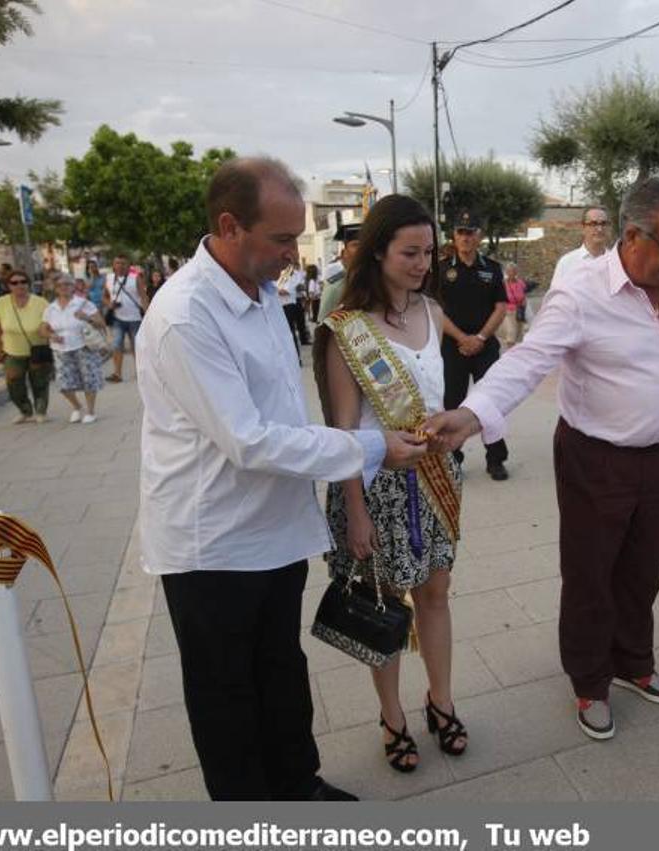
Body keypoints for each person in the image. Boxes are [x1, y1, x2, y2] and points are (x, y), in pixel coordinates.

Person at [136, 156, 427, 801]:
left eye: (297, 237)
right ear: (229, 225)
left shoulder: (262, 293)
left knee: (281, 671)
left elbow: (285, 409)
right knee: (226, 694)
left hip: (274, 531)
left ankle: (298, 784)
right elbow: (247, 438)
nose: (292, 255)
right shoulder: (187, 314)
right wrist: (368, 448)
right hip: (213, 544)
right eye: (281, 239)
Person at [427, 177, 659, 740]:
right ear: (633, 236)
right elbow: (529, 359)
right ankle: (590, 681)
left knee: (642, 569)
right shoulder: (581, 292)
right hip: (595, 458)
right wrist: (473, 413)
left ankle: (633, 663)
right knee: (590, 574)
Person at [314, 194, 467, 774]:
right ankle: (392, 716)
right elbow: (345, 432)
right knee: (384, 604)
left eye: (429, 251)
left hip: (436, 480)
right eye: (409, 252)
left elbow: (438, 398)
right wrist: (355, 513)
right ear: (377, 251)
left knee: (435, 593)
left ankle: (442, 699)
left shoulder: (430, 308)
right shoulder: (348, 329)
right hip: (374, 487)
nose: (423, 262)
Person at [439, 209, 510, 481]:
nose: (466, 238)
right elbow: (436, 310)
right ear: (454, 236)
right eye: (461, 232)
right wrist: (461, 338)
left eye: (471, 233)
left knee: (491, 402)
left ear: (479, 236)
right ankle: (452, 459)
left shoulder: (491, 269)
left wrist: (480, 338)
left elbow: (501, 307)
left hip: (485, 347)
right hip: (452, 347)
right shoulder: (443, 269)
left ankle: (496, 458)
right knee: (452, 404)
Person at [0, 269, 54, 424]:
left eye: (23, 282)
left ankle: (40, 411)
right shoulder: (1, 303)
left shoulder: (40, 302)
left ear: (28, 284)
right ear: (8, 286)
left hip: (38, 349)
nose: (20, 285)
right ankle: (25, 410)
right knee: (13, 382)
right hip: (12, 351)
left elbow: (51, 323)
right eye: (14, 282)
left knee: (40, 382)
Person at [42, 273, 107, 424]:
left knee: (89, 379)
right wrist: (51, 336)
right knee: (63, 384)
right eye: (60, 285)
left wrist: (86, 317)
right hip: (60, 349)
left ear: (73, 287)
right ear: (55, 289)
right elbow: (42, 329)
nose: (64, 288)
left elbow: (101, 323)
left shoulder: (83, 304)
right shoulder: (50, 308)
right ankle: (77, 406)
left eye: (67, 284)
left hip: (84, 346)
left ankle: (91, 411)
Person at [103, 254, 148, 383]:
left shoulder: (135, 278)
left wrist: (147, 314)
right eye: (117, 263)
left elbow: (143, 296)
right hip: (117, 318)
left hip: (135, 318)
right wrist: (108, 304)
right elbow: (104, 296)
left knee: (137, 347)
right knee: (116, 345)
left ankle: (141, 372)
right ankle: (117, 373)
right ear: (113, 265)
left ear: (128, 265)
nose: (120, 266)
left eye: (123, 263)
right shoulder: (109, 278)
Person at [551, 206, 612, 286]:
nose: (599, 229)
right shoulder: (567, 263)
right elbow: (556, 297)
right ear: (583, 227)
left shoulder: (615, 262)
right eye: (593, 224)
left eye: (603, 224)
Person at [318, 224, 361, 319]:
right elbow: (322, 327)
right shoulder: (336, 288)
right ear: (343, 254)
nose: (361, 249)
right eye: (356, 245)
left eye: (366, 244)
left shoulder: (384, 284)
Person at [497, 262, 528, 348]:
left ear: (516, 272)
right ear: (506, 272)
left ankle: (514, 354)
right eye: (509, 271)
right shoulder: (503, 284)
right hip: (508, 312)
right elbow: (498, 298)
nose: (512, 273)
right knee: (511, 335)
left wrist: (523, 306)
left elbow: (524, 296)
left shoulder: (520, 283)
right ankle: (510, 355)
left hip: (518, 312)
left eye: (514, 271)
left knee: (518, 334)